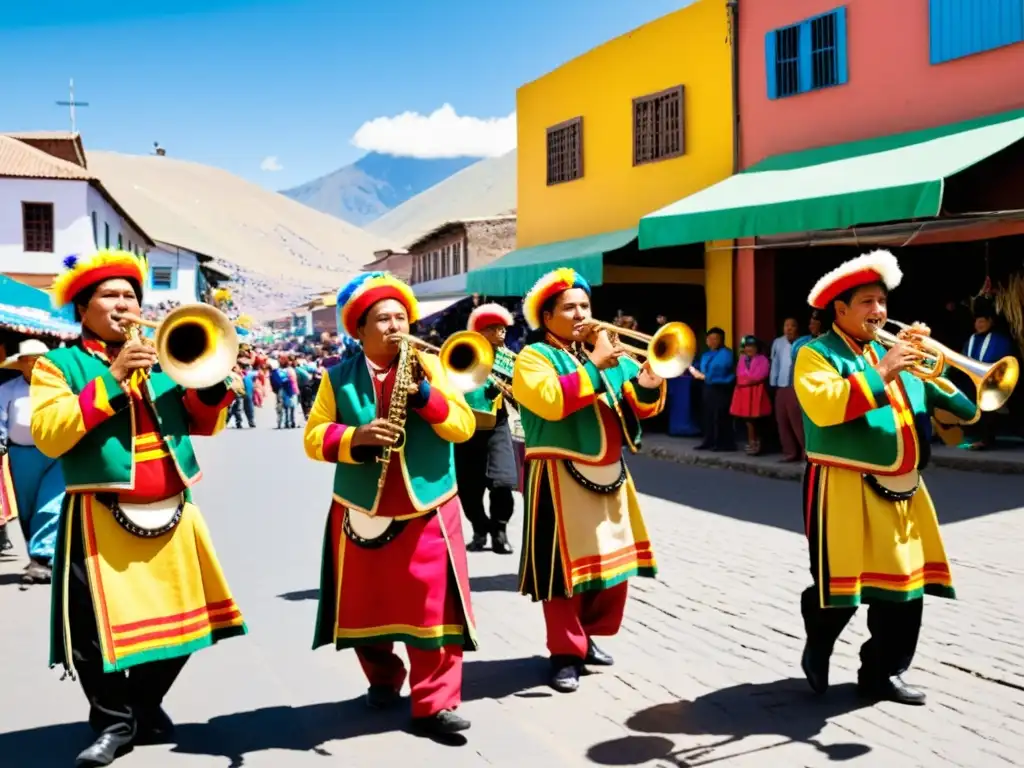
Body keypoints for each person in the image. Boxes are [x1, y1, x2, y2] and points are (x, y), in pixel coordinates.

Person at [31, 250, 247, 767]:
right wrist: (110, 381)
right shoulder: (56, 365)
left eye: (130, 295)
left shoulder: (161, 357)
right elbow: (47, 435)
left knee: (189, 623)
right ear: (82, 308)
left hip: (174, 508)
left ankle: (143, 704)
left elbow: (200, 423)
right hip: (97, 513)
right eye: (110, 295)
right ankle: (113, 724)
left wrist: (213, 388)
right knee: (91, 633)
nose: (124, 304)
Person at [794, 249, 978, 707]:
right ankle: (819, 641)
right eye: (866, 302)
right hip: (842, 485)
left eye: (882, 301)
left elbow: (967, 411)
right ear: (839, 309)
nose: (879, 311)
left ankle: (883, 673)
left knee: (906, 589)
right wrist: (883, 370)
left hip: (905, 487)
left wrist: (943, 363)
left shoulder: (898, 353)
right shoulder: (814, 354)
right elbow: (825, 406)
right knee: (842, 589)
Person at [303, 271, 477, 737]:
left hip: (428, 506)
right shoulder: (337, 378)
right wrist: (354, 437)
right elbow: (313, 437)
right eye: (382, 319)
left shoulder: (432, 367)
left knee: (433, 609)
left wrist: (424, 394)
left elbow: (462, 427)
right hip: (362, 507)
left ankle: (435, 704)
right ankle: (383, 679)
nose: (395, 326)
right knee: (368, 605)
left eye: (402, 316)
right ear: (359, 330)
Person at [511, 267, 666, 694]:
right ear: (547, 317)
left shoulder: (608, 352)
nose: (581, 313)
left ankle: (587, 636)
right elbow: (551, 401)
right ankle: (564, 652)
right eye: (569, 307)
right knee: (563, 572)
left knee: (613, 568)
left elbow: (639, 405)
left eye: (585, 305)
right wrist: (597, 364)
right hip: (558, 473)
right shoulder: (534, 358)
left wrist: (649, 382)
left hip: (610, 472)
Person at [455, 303, 519, 554]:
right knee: (468, 491)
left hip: (496, 425)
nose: (501, 332)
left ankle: (500, 530)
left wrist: (510, 390)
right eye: (493, 328)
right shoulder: (462, 352)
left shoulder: (509, 359)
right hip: (466, 427)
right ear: (480, 332)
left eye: (503, 328)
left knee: (503, 482)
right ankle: (481, 529)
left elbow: (522, 394)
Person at [0, 338, 64, 585]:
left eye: (42, 360)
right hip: (21, 455)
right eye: (33, 360)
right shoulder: (8, 390)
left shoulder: (60, 387)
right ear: (23, 363)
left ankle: (41, 557)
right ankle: (39, 553)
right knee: (26, 509)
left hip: (55, 453)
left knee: (50, 504)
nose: (37, 364)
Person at [688, 327, 735, 451]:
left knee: (720, 416)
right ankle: (708, 441)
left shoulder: (727, 354)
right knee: (707, 415)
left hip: (721, 387)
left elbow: (721, 370)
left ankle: (723, 443)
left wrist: (703, 376)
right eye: (710, 339)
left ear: (721, 340)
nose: (712, 342)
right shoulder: (706, 354)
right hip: (707, 388)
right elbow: (700, 368)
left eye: (715, 339)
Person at [729, 335, 771, 455]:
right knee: (747, 420)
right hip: (744, 394)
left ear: (757, 348)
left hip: (757, 393)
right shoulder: (742, 359)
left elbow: (760, 375)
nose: (749, 349)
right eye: (747, 346)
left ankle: (757, 444)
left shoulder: (763, 359)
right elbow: (739, 375)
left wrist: (746, 380)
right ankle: (751, 441)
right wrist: (747, 380)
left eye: (752, 346)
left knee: (757, 420)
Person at [771, 318, 803, 462]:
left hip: (797, 387)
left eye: (792, 325)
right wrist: (773, 383)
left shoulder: (805, 342)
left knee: (797, 421)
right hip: (781, 385)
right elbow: (775, 363)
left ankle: (806, 453)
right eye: (786, 325)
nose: (789, 328)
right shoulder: (778, 342)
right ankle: (789, 452)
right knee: (782, 421)